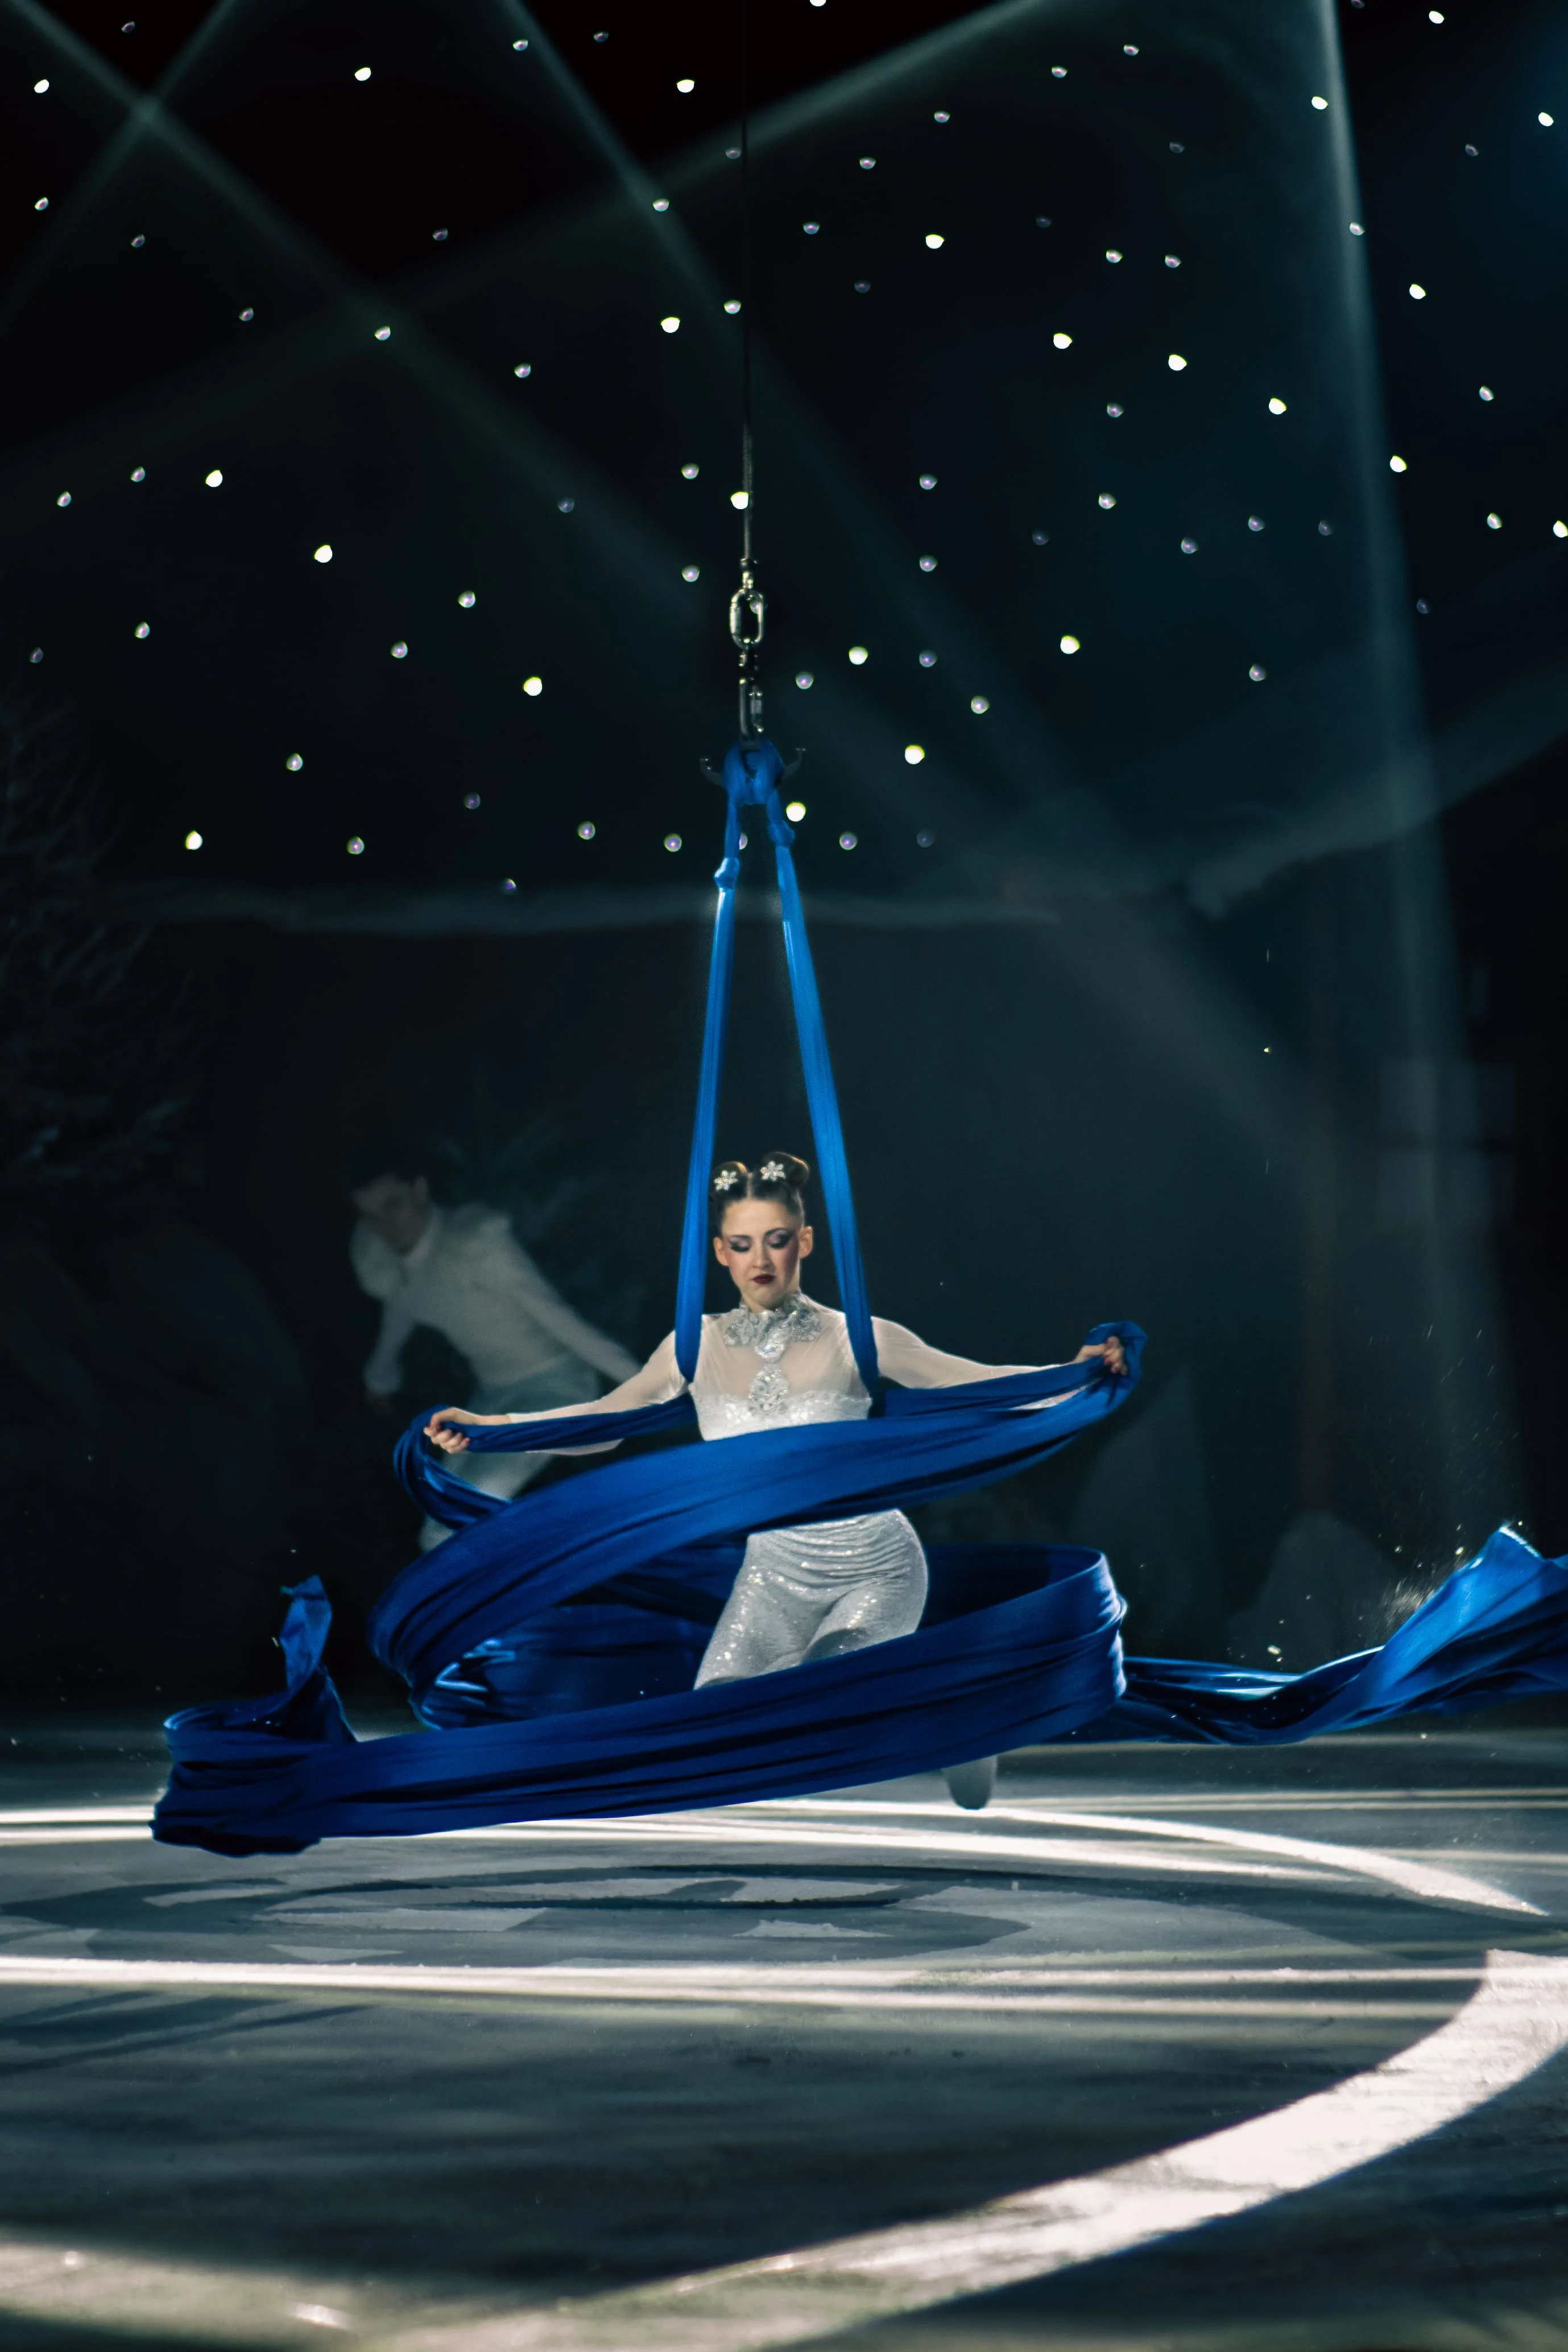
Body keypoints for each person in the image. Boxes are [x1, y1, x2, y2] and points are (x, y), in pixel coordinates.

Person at [425, 1152, 1127, 1802]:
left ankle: (961, 1716)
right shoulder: (691, 1347)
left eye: (777, 1239)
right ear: (720, 1252)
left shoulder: (857, 1336)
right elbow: (606, 1420)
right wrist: (496, 1426)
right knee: (717, 1729)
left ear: (807, 1241)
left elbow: (979, 1383)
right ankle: (947, 1704)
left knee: (827, 1690)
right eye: (741, 1243)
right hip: (770, 1581)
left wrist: (1080, 1370)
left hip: (874, 1567)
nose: (759, 1258)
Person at [348, 1135, 639, 1548]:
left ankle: (516, 1597)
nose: (384, 1225)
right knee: (434, 1528)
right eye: (371, 1215)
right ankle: (483, 1606)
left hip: (556, 1389)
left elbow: (558, 1317)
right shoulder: (392, 1268)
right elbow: (399, 1314)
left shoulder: (477, 1244)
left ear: (419, 1190)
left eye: (392, 1205)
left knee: (462, 1514)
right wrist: (379, 1378)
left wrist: (650, 1384)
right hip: (492, 1400)